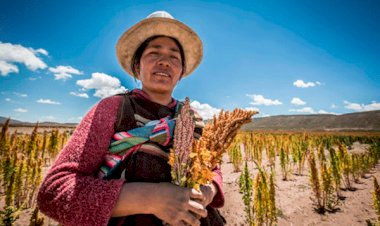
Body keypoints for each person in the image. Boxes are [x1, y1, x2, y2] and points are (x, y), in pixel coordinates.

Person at [37, 11, 225, 226]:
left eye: (174, 57)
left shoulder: (192, 118)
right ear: (137, 66)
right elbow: (53, 192)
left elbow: (213, 170)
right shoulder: (112, 109)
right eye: (154, 53)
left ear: (181, 71)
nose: (165, 62)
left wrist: (208, 190)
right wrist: (152, 199)